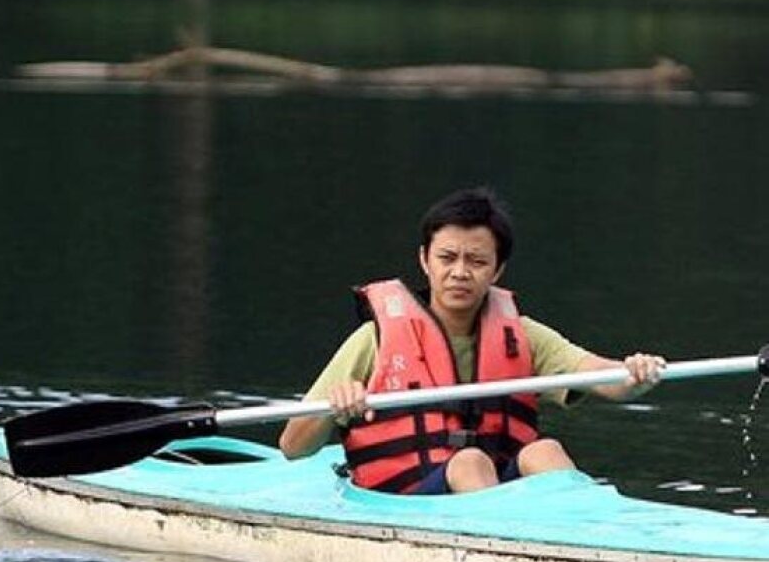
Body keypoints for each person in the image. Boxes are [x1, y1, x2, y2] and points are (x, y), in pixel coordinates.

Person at [278, 187, 665, 495]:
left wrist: (634, 374)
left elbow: (600, 376)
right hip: (402, 497)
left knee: (544, 451)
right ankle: (504, 555)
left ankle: (584, 538)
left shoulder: (522, 335)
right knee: (469, 461)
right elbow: (293, 447)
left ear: (497, 270)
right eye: (447, 258)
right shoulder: (374, 339)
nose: (460, 272)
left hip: (489, 490)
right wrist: (334, 406)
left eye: (476, 262)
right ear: (425, 260)